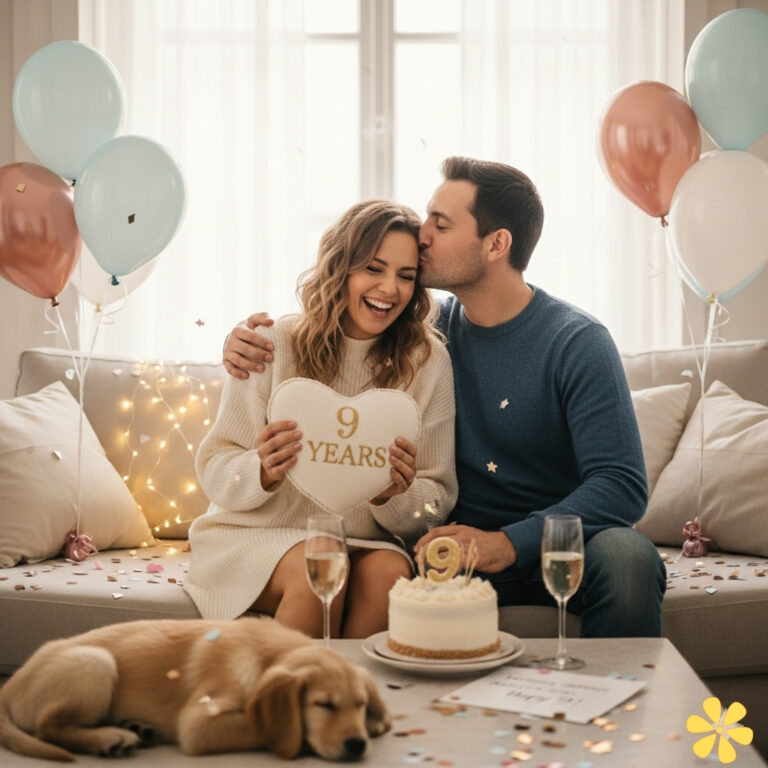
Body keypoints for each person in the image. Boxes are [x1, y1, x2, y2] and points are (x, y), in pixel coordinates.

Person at [223, 157, 667, 638]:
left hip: (558, 543)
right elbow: (341, 324)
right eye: (427, 217)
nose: (423, 233)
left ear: (496, 244)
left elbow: (622, 484)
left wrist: (509, 543)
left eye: (441, 223)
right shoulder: (420, 334)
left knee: (628, 558)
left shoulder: (577, 342)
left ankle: (621, 706)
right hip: (443, 547)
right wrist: (244, 341)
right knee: (384, 575)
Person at [186, 199, 457, 639]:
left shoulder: (427, 362)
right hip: (256, 535)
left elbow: (435, 502)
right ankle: (282, 705)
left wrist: (395, 496)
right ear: (341, 267)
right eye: (373, 268)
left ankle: (344, 702)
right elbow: (216, 472)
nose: (390, 288)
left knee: (390, 572)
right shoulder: (271, 344)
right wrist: (262, 470)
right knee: (323, 560)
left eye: (406, 276)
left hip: (366, 543)